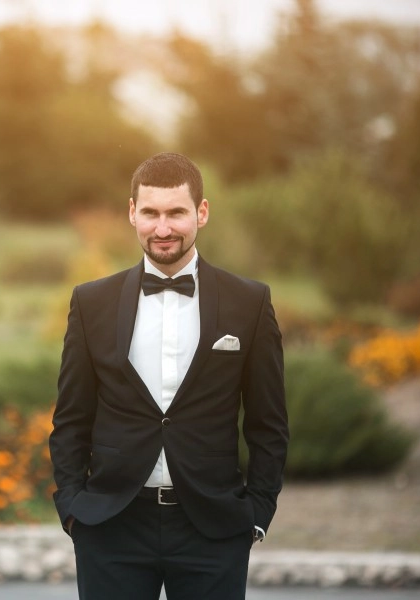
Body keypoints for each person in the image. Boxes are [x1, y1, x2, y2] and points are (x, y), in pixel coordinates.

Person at [49, 152, 289, 600]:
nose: (163, 229)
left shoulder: (249, 303)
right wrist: (73, 507)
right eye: (151, 213)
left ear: (201, 212)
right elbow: (71, 418)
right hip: (111, 527)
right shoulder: (91, 302)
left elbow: (268, 423)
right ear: (132, 213)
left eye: (176, 213)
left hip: (213, 529)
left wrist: (256, 514)